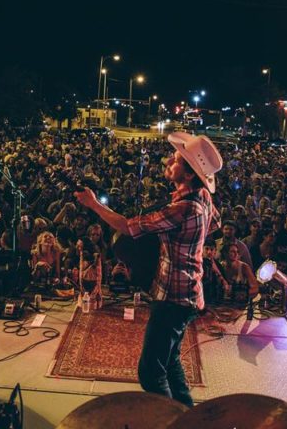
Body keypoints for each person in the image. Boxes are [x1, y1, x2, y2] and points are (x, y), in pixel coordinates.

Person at [74, 132, 222, 407]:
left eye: (177, 160)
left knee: (150, 373)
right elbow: (215, 223)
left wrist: (93, 204)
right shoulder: (202, 198)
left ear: (190, 175)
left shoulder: (185, 208)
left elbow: (129, 227)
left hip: (173, 297)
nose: (169, 160)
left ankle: (166, 421)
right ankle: (186, 416)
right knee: (171, 360)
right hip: (188, 292)